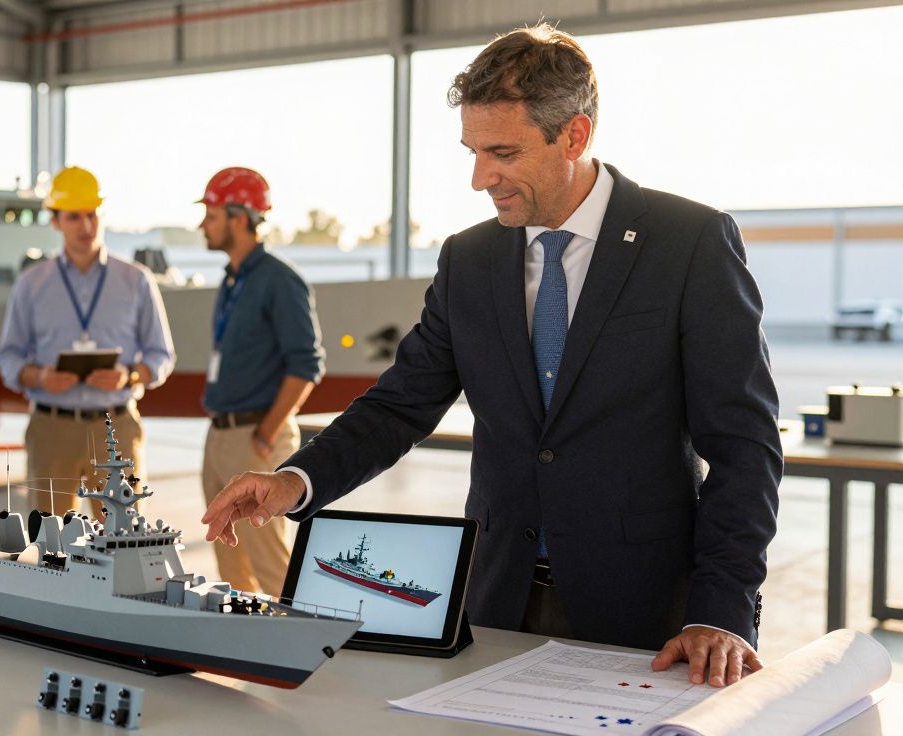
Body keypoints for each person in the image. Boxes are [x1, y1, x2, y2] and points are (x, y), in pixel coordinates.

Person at [202, 24, 782, 689]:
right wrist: (292, 482)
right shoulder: (470, 259)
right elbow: (399, 405)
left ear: (575, 136)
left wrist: (723, 610)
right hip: (497, 600)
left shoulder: (690, 243)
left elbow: (745, 445)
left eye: (502, 152)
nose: (481, 177)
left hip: (648, 619)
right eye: (472, 151)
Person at [0, 166, 174, 517]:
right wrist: (41, 378)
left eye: (92, 215)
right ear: (56, 221)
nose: (86, 226)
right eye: (74, 217)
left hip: (116, 428)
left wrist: (129, 375)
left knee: (123, 543)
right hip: (51, 428)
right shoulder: (31, 284)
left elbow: (161, 354)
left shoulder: (136, 281)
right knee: (50, 549)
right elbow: (9, 358)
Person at [197, 167, 325, 597]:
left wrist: (266, 434)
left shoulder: (279, 281)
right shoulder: (234, 279)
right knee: (229, 556)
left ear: (239, 218)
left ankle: (299, 648)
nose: (202, 224)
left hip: (255, 438)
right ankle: (243, 651)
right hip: (220, 435)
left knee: (270, 562)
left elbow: (306, 365)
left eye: (211, 214)